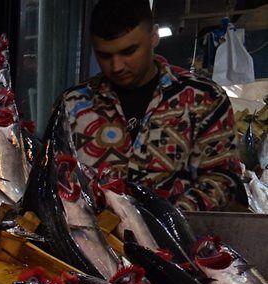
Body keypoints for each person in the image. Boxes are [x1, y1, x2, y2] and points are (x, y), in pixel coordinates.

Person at [55, 0, 242, 211]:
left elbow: (223, 177)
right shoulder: (71, 105)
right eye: (105, 55)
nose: (116, 66)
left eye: (129, 51)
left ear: (154, 37)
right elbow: (56, 176)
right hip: (89, 231)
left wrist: (168, 219)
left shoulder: (203, 99)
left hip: (180, 230)